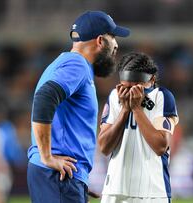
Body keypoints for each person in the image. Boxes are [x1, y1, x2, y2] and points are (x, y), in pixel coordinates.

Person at [27, 11, 130, 203]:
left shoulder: (70, 64)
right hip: (58, 176)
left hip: (62, 177)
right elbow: (45, 98)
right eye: (113, 37)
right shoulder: (77, 64)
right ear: (100, 40)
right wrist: (47, 157)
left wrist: (78, 180)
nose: (116, 44)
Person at [98, 52, 179, 203]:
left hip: (153, 191)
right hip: (115, 188)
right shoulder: (115, 96)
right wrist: (124, 110)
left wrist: (136, 109)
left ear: (152, 79)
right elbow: (104, 147)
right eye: (125, 87)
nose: (129, 93)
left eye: (136, 87)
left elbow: (160, 146)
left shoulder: (162, 97)